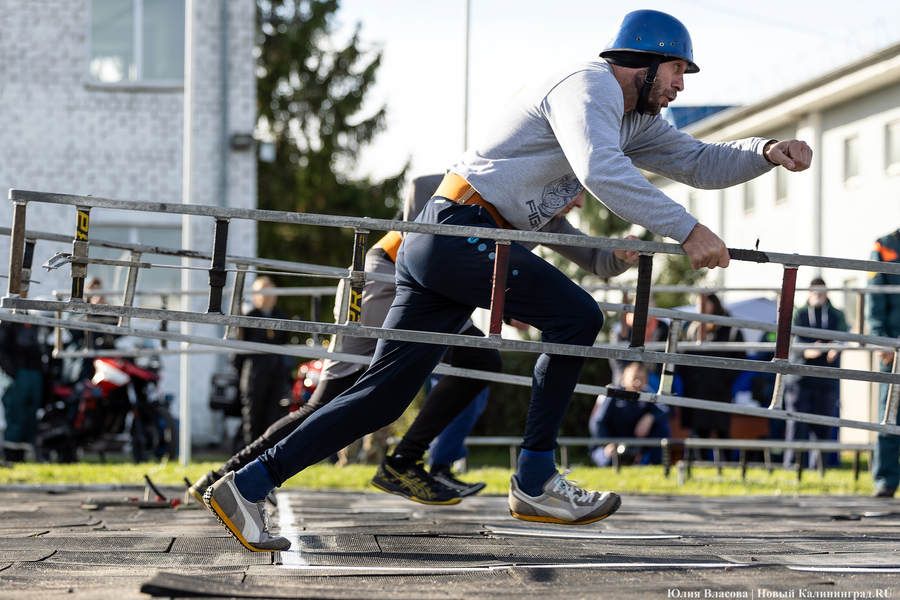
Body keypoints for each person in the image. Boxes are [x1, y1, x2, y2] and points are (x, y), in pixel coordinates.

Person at [203, 8, 812, 551]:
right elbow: (600, 170)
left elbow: (698, 161)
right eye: (678, 70)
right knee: (578, 317)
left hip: (452, 240)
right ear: (646, 63)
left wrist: (763, 152)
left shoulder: (635, 120)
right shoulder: (589, 85)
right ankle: (536, 478)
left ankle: (247, 485)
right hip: (459, 229)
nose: (681, 86)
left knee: (382, 395)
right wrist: (686, 230)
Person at [190, 174, 639, 507]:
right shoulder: (501, 179)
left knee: (480, 364)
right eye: (579, 190)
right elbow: (420, 185)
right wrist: (421, 250)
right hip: (389, 269)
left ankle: (403, 462)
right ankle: (228, 476)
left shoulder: (549, 222)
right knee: (337, 396)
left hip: (441, 288)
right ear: (558, 182)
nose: (579, 203)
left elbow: (596, 260)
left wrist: (620, 255)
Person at [783, 278, 847, 468]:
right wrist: (806, 350)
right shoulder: (799, 313)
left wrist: (836, 347)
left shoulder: (836, 315)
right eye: (814, 291)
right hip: (800, 376)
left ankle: (819, 468)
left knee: (823, 425)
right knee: (796, 424)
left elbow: (843, 336)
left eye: (822, 291)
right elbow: (790, 340)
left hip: (826, 377)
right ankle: (792, 467)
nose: (818, 295)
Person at [677, 294, 746, 456]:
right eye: (697, 304)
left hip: (719, 390)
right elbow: (682, 354)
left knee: (722, 431)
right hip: (696, 388)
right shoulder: (691, 327)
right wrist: (688, 377)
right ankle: (700, 464)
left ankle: (728, 466)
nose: (700, 308)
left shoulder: (731, 328)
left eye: (704, 304)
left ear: (713, 305)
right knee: (699, 432)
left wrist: (723, 378)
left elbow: (740, 359)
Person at [234, 277, 293, 448]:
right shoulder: (248, 318)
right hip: (254, 375)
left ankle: (266, 460)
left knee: (273, 421)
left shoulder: (281, 317)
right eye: (263, 292)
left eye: (271, 292)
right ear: (255, 296)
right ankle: (248, 458)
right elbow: (240, 351)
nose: (268, 296)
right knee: (252, 420)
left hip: (276, 375)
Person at [589, 362, 670, 467]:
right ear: (624, 378)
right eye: (634, 378)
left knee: (662, 427)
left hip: (635, 445)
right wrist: (607, 443)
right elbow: (596, 422)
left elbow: (666, 411)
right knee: (609, 463)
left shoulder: (647, 394)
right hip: (610, 445)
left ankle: (656, 463)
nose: (637, 383)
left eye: (641, 379)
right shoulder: (612, 392)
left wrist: (650, 417)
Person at [868, 230, 900, 497]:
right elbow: (875, 292)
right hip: (895, 344)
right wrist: (881, 338)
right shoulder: (885, 245)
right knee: (890, 412)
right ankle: (886, 480)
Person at [0, 319, 49, 462]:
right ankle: (11, 456)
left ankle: (22, 456)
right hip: (18, 374)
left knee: (30, 417)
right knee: (16, 415)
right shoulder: (9, 323)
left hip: (34, 373)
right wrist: (11, 371)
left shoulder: (33, 322)